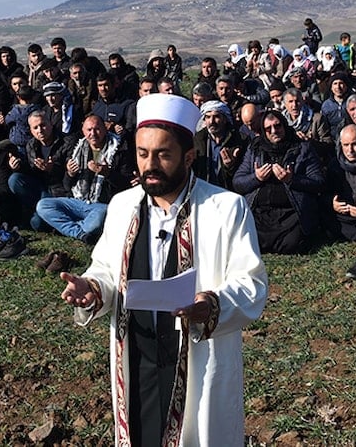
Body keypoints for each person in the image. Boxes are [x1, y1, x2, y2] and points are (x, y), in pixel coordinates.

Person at [59, 93, 268, 447]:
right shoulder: (122, 206)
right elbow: (107, 269)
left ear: (188, 156)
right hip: (136, 353)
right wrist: (92, 288)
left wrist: (211, 304)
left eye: (163, 154)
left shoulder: (225, 208)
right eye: (143, 154)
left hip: (198, 356)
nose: (150, 165)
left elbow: (251, 284)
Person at [232, 110, 325, 254]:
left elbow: (318, 182)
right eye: (268, 129)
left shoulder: (302, 148)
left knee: (291, 244)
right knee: (251, 240)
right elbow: (238, 182)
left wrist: (291, 180)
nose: (274, 131)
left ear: (284, 125)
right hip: (260, 212)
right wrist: (256, 178)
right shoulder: (255, 149)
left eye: (277, 126)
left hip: (291, 213)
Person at [35, 114, 133, 242]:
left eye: (97, 129)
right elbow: (66, 186)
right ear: (83, 131)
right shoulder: (77, 148)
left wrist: (108, 173)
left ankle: (72, 228)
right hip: (77, 201)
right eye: (89, 130)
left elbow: (127, 185)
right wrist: (70, 173)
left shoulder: (119, 148)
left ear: (105, 129)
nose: (93, 134)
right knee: (43, 205)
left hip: (101, 204)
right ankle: (81, 233)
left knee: (98, 220)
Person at [192, 101, 246, 191]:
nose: (211, 121)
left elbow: (243, 176)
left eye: (216, 116)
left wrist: (230, 166)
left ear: (225, 119)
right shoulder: (197, 140)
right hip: (203, 191)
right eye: (208, 117)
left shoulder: (240, 140)